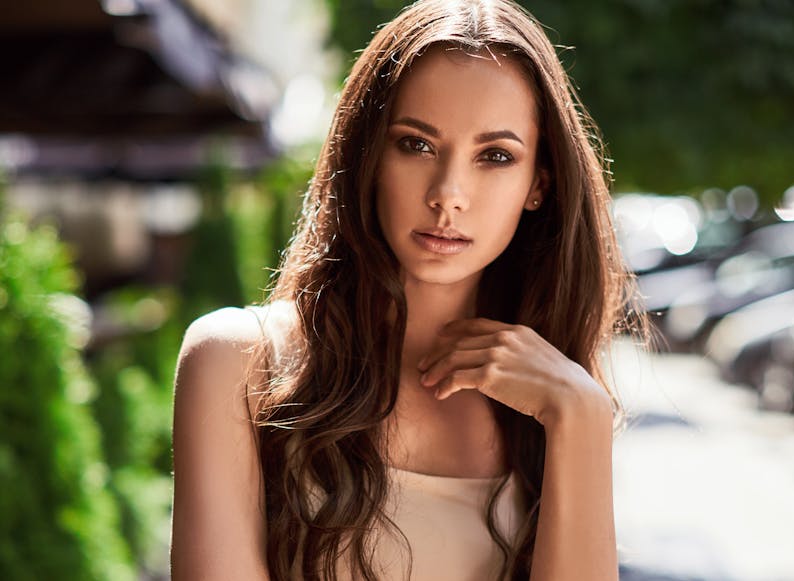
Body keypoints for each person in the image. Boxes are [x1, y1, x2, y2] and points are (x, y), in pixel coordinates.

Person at [170, 0, 645, 579]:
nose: (449, 193)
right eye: (416, 144)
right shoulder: (239, 363)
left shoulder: (554, 400)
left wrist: (581, 417)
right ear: (368, 155)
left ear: (538, 185)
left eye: (495, 156)